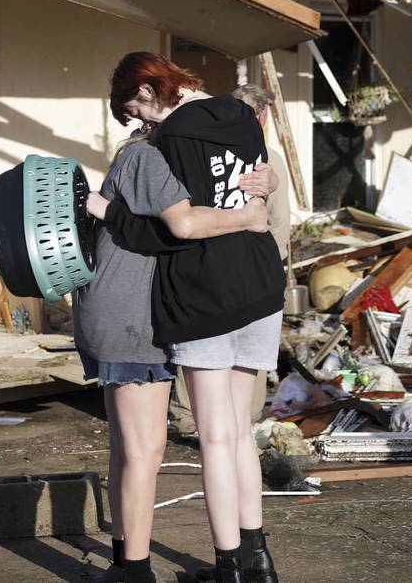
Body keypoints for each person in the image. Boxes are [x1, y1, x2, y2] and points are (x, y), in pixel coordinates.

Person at [94, 52, 286, 583]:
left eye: (137, 108)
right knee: (243, 431)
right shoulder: (244, 116)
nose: (139, 121)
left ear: (154, 89)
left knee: (216, 436)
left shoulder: (167, 143)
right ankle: (259, 559)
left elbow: (177, 227)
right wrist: (258, 198)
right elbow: (258, 181)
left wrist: (106, 211)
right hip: (262, 282)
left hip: (206, 291)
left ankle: (227, 567)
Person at [171, 83, 291, 434]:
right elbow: (279, 222)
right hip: (252, 267)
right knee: (244, 357)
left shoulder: (197, 149)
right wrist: (272, 263)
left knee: (198, 349)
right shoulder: (266, 157)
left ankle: (188, 416)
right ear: (263, 115)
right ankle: (242, 421)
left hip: (204, 264)